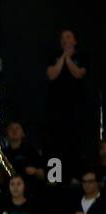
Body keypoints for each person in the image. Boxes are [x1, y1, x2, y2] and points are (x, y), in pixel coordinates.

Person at [45, 30, 92, 178]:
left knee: (74, 143)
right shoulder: (54, 56)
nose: (65, 39)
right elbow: (52, 74)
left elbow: (78, 73)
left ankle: (74, 177)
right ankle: (55, 176)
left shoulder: (82, 56)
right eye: (62, 37)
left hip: (75, 106)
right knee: (55, 143)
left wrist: (68, 58)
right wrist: (63, 57)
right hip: (56, 106)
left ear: (75, 41)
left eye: (68, 36)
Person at [3, 122, 46, 187]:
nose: (14, 131)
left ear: (23, 133)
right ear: (6, 134)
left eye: (17, 128)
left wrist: (35, 171)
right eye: (11, 129)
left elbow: (43, 175)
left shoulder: (31, 151)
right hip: (10, 188)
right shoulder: (3, 153)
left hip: (29, 188)